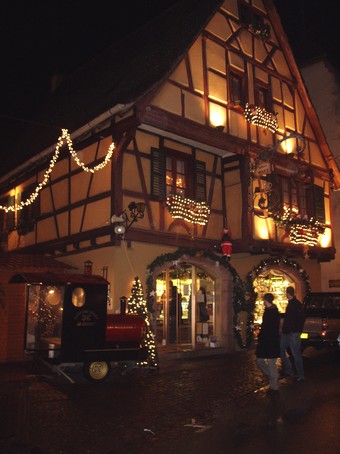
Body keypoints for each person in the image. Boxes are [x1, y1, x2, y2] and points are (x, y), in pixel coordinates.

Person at [256, 293, 281, 393]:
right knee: (260, 360)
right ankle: (273, 376)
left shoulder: (273, 312)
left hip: (271, 341)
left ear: (266, 300)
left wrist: (262, 333)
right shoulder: (268, 311)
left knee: (271, 363)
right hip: (266, 341)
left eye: (263, 300)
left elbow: (270, 328)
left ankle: (274, 386)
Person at [280, 286, 305, 382]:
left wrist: (295, 329)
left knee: (296, 354)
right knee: (282, 349)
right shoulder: (294, 304)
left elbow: (299, 318)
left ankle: (300, 374)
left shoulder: (294, 304)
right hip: (288, 332)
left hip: (292, 333)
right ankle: (290, 370)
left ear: (287, 294)